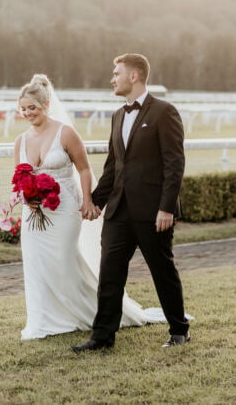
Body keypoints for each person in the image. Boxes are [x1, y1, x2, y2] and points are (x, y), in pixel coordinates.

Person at [14, 73, 166, 340]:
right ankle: (44, 318)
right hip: (34, 213)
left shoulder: (66, 133)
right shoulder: (21, 140)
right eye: (23, 109)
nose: (28, 113)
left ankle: (91, 312)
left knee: (64, 260)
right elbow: (19, 175)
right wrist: (27, 197)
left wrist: (87, 199)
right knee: (37, 264)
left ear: (46, 105)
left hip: (64, 211)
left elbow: (84, 169)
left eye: (33, 108)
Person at [72, 53, 190, 352]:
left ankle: (179, 330)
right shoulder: (117, 116)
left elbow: (174, 165)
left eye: (116, 73)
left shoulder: (165, 112)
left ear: (134, 76)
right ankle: (102, 337)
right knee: (109, 274)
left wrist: (166, 207)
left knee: (162, 271)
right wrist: (95, 201)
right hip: (118, 211)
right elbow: (114, 166)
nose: (112, 78)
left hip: (153, 212)